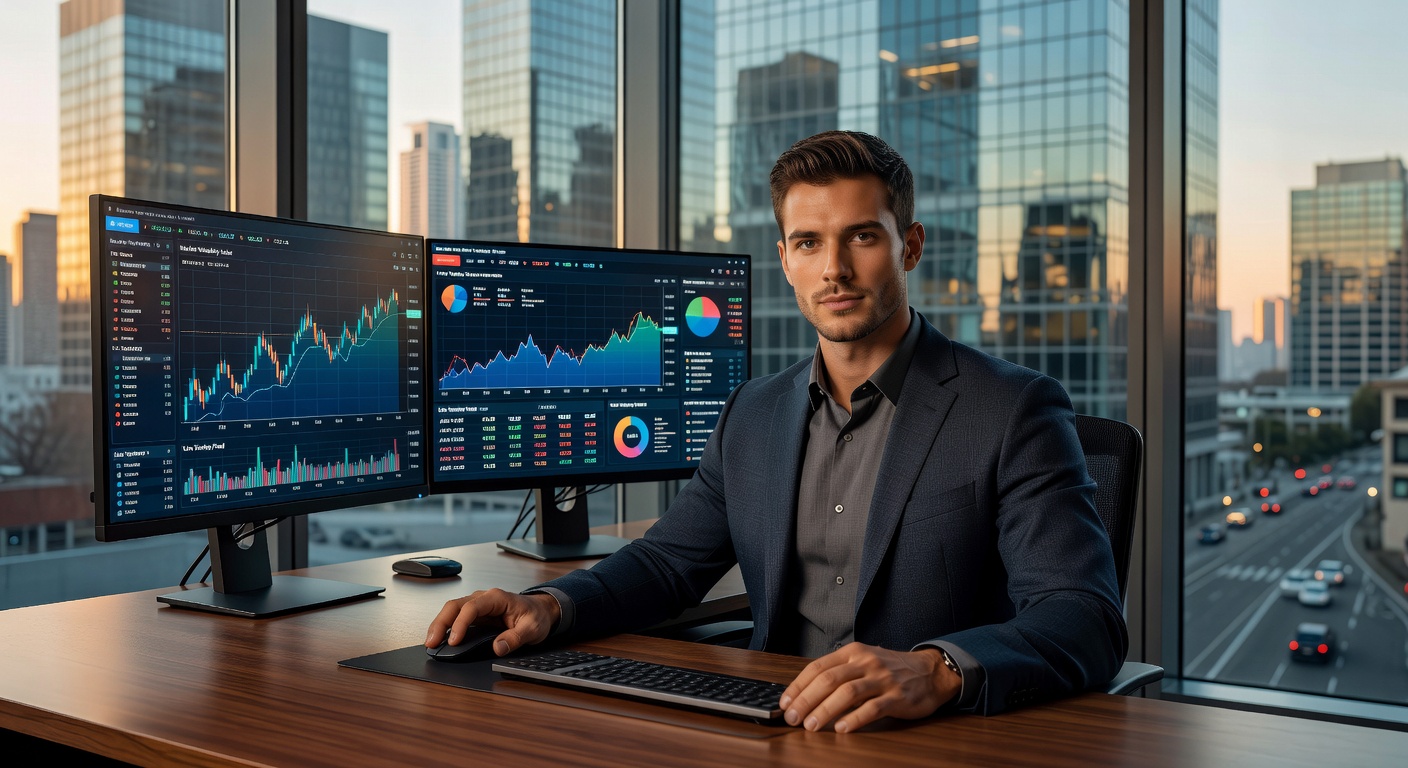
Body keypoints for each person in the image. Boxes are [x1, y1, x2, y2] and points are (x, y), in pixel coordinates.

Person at [426, 130, 1127, 730]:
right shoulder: (752, 413)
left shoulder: (1012, 409)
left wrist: (939, 669)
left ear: (910, 246)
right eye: (808, 243)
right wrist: (548, 605)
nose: (835, 270)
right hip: (772, 724)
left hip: (927, 739)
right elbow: (668, 564)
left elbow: (1083, 616)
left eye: (861, 237)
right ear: (786, 259)